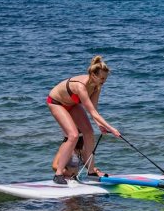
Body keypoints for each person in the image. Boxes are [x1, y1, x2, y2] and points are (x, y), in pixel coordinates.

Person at [47, 55, 121, 184]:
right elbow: (92, 112)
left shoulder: (97, 86)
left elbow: (94, 110)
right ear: (93, 75)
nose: (104, 81)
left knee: (89, 132)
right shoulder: (80, 87)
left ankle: (91, 171)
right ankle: (58, 174)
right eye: (102, 78)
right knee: (73, 135)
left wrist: (100, 125)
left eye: (106, 78)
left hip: (71, 104)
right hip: (56, 102)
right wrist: (112, 129)